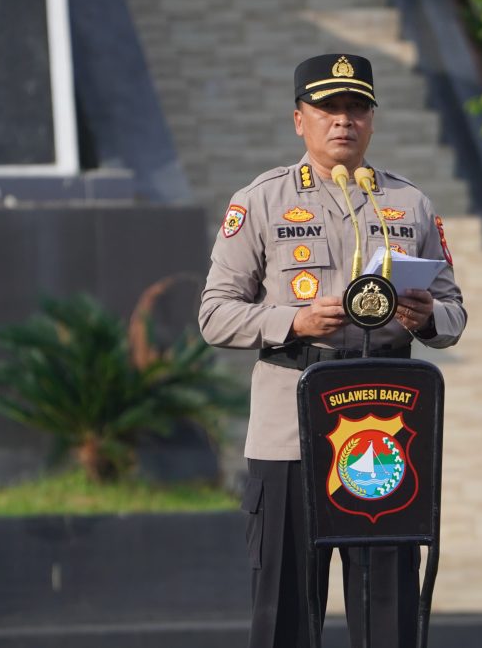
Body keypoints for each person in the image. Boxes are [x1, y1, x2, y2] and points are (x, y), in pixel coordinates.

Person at [198, 53, 466, 648]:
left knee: (389, 615)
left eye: (356, 107)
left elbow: (454, 313)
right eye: (328, 108)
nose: (343, 120)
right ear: (300, 119)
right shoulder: (262, 201)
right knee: (287, 614)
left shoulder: (411, 203)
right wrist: (294, 320)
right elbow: (214, 314)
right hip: (291, 428)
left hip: (384, 431)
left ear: (372, 119)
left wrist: (426, 316)